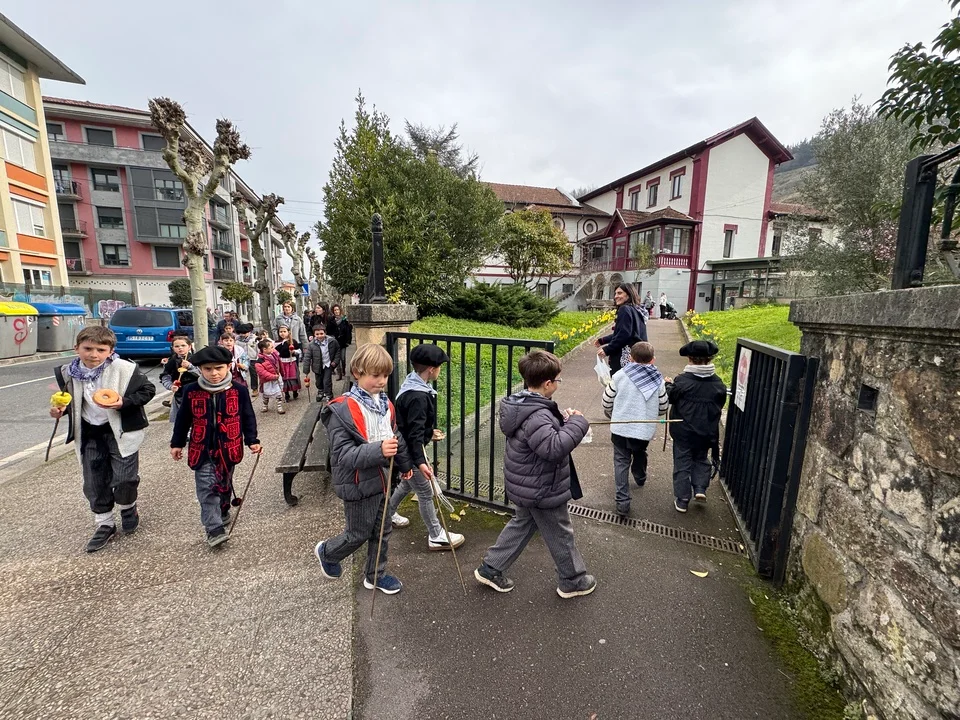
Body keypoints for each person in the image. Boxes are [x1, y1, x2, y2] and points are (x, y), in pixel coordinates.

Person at [474, 349, 595, 598]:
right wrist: (578, 423)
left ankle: (491, 568)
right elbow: (553, 448)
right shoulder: (538, 415)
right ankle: (573, 580)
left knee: (523, 523)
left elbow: (544, 437)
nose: (558, 384)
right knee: (560, 533)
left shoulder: (525, 405)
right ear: (548, 383)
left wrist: (564, 422)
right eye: (557, 380)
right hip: (542, 487)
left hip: (529, 484)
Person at [313, 344, 415, 595]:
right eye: (375, 375)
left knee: (382, 530)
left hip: (382, 479)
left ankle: (375, 575)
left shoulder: (385, 404)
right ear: (357, 373)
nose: (382, 381)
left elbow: (395, 436)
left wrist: (404, 464)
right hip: (357, 483)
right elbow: (343, 455)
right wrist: (379, 450)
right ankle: (328, 552)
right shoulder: (343, 410)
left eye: (386, 375)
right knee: (358, 533)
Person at [51, 327, 156, 553]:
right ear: (76, 348)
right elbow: (71, 402)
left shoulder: (124, 368)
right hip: (89, 432)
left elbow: (148, 390)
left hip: (121, 431)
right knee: (94, 480)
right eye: (88, 348)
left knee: (125, 478)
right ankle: (104, 523)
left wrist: (123, 402)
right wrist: (60, 410)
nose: (93, 354)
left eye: (101, 350)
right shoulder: (68, 373)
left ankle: (128, 506)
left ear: (110, 351)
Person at [170, 346, 261, 548]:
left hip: (229, 446)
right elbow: (183, 419)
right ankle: (214, 528)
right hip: (202, 448)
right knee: (206, 487)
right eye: (208, 369)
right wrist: (177, 443)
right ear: (200, 369)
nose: (214, 373)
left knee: (224, 481)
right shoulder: (191, 390)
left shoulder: (239, 390)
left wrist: (252, 440)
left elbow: (248, 416)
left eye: (218, 368)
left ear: (228, 366)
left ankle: (223, 507)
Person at [388, 343, 465, 551]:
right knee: (424, 491)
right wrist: (420, 462)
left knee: (407, 484)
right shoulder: (419, 397)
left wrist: (429, 433)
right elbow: (414, 434)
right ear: (431, 369)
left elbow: (410, 424)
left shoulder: (410, 384)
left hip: (404, 448)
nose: (439, 370)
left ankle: (387, 515)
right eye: (439, 367)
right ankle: (436, 535)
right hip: (410, 452)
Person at [601, 341, 668, 516]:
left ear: (630, 358)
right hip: (643, 430)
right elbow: (663, 406)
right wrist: (651, 414)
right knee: (639, 452)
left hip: (620, 428)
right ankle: (640, 476)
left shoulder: (620, 376)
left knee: (621, 461)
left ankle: (622, 502)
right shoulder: (658, 380)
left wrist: (612, 414)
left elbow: (607, 401)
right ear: (652, 360)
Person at [665, 340, 727, 513]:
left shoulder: (682, 381)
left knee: (682, 462)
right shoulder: (717, 383)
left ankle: (682, 499)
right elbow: (720, 403)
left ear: (690, 358)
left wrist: (668, 385)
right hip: (706, 431)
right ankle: (700, 488)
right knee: (701, 458)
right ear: (710, 359)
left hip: (683, 431)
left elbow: (672, 397)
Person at [596, 283, 648, 374]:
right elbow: (625, 332)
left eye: (620, 293)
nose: (616, 296)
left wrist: (607, 349)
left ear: (629, 294)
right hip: (638, 356)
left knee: (619, 381)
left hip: (625, 357)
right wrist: (603, 340)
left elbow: (624, 335)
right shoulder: (637, 310)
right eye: (615, 293)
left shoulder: (624, 309)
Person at [159, 334, 200, 424]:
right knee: (180, 421)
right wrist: (171, 386)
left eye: (183, 345)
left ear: (189, 347)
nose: (180, 348)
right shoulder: (171, 361)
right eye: (177, 346)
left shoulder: (197, 359)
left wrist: (190, 367)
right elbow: (165, 377)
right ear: (173, 348)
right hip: (179, 395)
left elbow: (203, 375)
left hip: (197, 394)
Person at [301, 324, 341, 401]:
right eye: (317, 334)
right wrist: (306, 370)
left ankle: (329, 394)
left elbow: (337, 351)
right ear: (314, 334)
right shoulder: (311, 344)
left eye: (321, 333)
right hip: (317, 366)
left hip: (328, 364)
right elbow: (307, 357)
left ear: (325, 333)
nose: (319, 336)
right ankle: (321, 391)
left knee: (327, 381)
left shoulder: (332, 341)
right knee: (318, 381)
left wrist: (335, 361)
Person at [255, 338, 285, 414]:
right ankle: (265, 405)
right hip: (267, 381)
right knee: (266, 394)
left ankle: (279, 406)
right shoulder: (259, 361)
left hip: (277, 377)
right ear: (264, 349)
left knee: (278, 392)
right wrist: (272, 376)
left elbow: (279, 364)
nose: (273, 348)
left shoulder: (275, 355)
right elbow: (262, 372)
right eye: (271, 347)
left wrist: (281, 373)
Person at [275, 325, 302, 401]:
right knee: (284, 378)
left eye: (284, 331)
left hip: (291, 362)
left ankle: (295, 391)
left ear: (288, 332)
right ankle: (286, 394)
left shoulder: (293, 341)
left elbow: (299, 350)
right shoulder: (277, 343)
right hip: (282, 363)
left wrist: (294, 351)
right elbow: (275, 352)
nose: (282, 333)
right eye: (281, 332)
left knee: (293, 377)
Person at [327, 304, 353, 380]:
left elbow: (348, 331)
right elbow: (328, 331)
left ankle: (343, 370)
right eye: (335, 310)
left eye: (338, 310)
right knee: (337, 358)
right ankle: (339, 373)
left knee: (343, 358)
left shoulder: (344, 320)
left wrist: (348, 341)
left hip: (343, 342)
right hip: (335, 342)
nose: (336, 311)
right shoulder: (331, 320)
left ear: (340, 310)